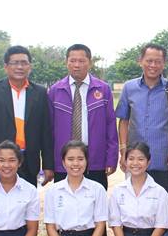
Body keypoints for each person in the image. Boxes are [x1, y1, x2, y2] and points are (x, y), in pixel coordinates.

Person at [116, 43, 168, 197]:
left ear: (164, 64)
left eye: (158, 62)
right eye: (149, 61)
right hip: (135, 160)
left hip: (163, 159)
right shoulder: (129, 88)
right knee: (133, 202)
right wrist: (123, 151)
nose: (153, 65)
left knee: (162, 203)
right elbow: (123, 120)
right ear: (140, 61)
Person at [0, 46, 54, 186]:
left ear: (30, 66)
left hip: (28, 161)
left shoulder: (40, 93)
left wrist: (48, 165)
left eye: (24, 63)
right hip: (0, 161)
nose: (19, 67)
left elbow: (45, 132)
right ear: (6, 66)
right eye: (15, 63)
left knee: (27, 198)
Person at [47, 44, 118, 187]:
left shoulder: (103, 89)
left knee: (95, 198)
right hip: (64, 161)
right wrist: (49, 163)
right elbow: (48, 130)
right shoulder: (55, 91)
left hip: (95, 161)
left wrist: (111, 158)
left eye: (81, 61)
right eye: (72, 61)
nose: (76, 65)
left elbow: (110, 126)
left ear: (89, 63)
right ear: (66, 62)